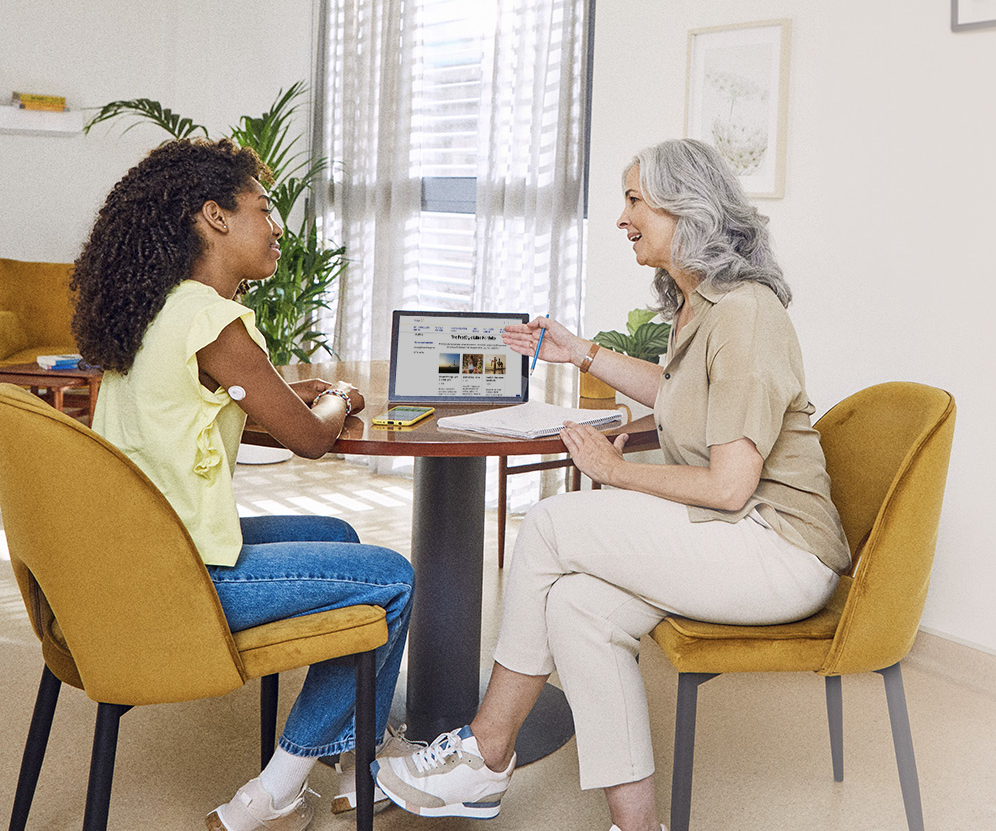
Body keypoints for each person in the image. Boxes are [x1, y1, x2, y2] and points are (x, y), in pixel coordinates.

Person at [376, 139, 848, 831]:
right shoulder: (702, 309)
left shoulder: (745, 314)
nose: (622, 219)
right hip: (739, 537)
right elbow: (680, 395)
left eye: (634, 201)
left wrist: (614, 471)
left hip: (778, 551)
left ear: (685, 208)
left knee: (550, 524)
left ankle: (486, 750)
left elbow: (729, 486)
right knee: (575, 607)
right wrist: (583, 353)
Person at [71, 138, 414, 831]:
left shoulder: (156, 309)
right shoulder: (211, 318)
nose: (278, 226)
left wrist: (284, 395)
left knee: (340, 538)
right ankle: (277, 790)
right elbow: (311, 439)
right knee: (394, 577)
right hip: (181, 581)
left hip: (127, 563)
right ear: (214, 217)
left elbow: (213, 412)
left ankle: (353, 768)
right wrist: (342, 396)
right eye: (264, 209)